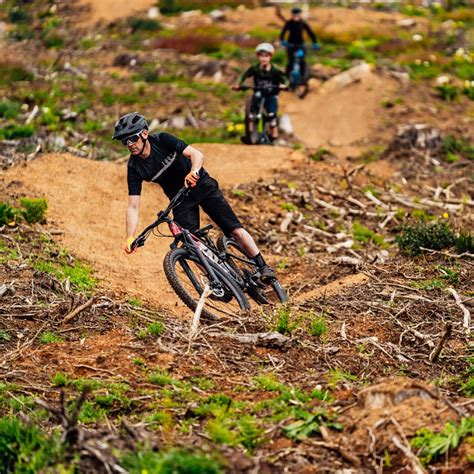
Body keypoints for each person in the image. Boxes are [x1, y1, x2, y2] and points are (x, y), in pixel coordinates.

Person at [114, 112, 276, 283]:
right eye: (125, 141)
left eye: (132, 138)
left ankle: (262, 266)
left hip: (201, 185)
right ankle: (215, 280)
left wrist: (194, 171)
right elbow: (133, 206)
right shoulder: (134, 167)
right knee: (190, 243)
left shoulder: (162, 140)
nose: (130, 144)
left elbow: (196, 155)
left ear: (144, 134)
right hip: (180, 200)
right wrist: (130, 236)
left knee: (234, 229)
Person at [232, 43, 288, 142]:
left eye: (266, 56)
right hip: (258, 92)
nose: (263, 58)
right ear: (258, 56)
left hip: (271, 94)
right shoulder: (255, 68)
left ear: (270, 56)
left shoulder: (275, 69)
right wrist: (238, 84)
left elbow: (285, 79)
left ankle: (274, 135)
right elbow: (244, 75)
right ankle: (249, 134)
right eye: (261, 56)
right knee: (251, 113)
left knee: (271, 115)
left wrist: (284, 85)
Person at [280, 6, 319, 82]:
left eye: (297, 15)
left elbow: (310, 33)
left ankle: (303, 78)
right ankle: (286, 79)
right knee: (291, 61)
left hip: (301, 45)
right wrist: (282, 40)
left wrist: (314, 42)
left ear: (300, 15)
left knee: (302, 60)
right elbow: (283, 33)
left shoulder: (303, 23)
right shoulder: (289, 23)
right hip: (290, 45)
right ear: (292, 15)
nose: (296, 16)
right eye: (294, 15)